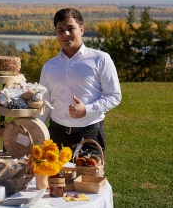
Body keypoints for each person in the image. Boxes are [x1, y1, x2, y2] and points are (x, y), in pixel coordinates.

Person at [39, 8, 122, 155]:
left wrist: (87, 110)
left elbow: (114, 96)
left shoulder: (100, 59)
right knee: (53, 179)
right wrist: (36, 129)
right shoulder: (49, 66)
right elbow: (44, 102)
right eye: (60, 30)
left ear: (81, 29)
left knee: (88, 178)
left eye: (71, 29)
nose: (65, 34)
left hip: (89, 136)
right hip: (55, 137)